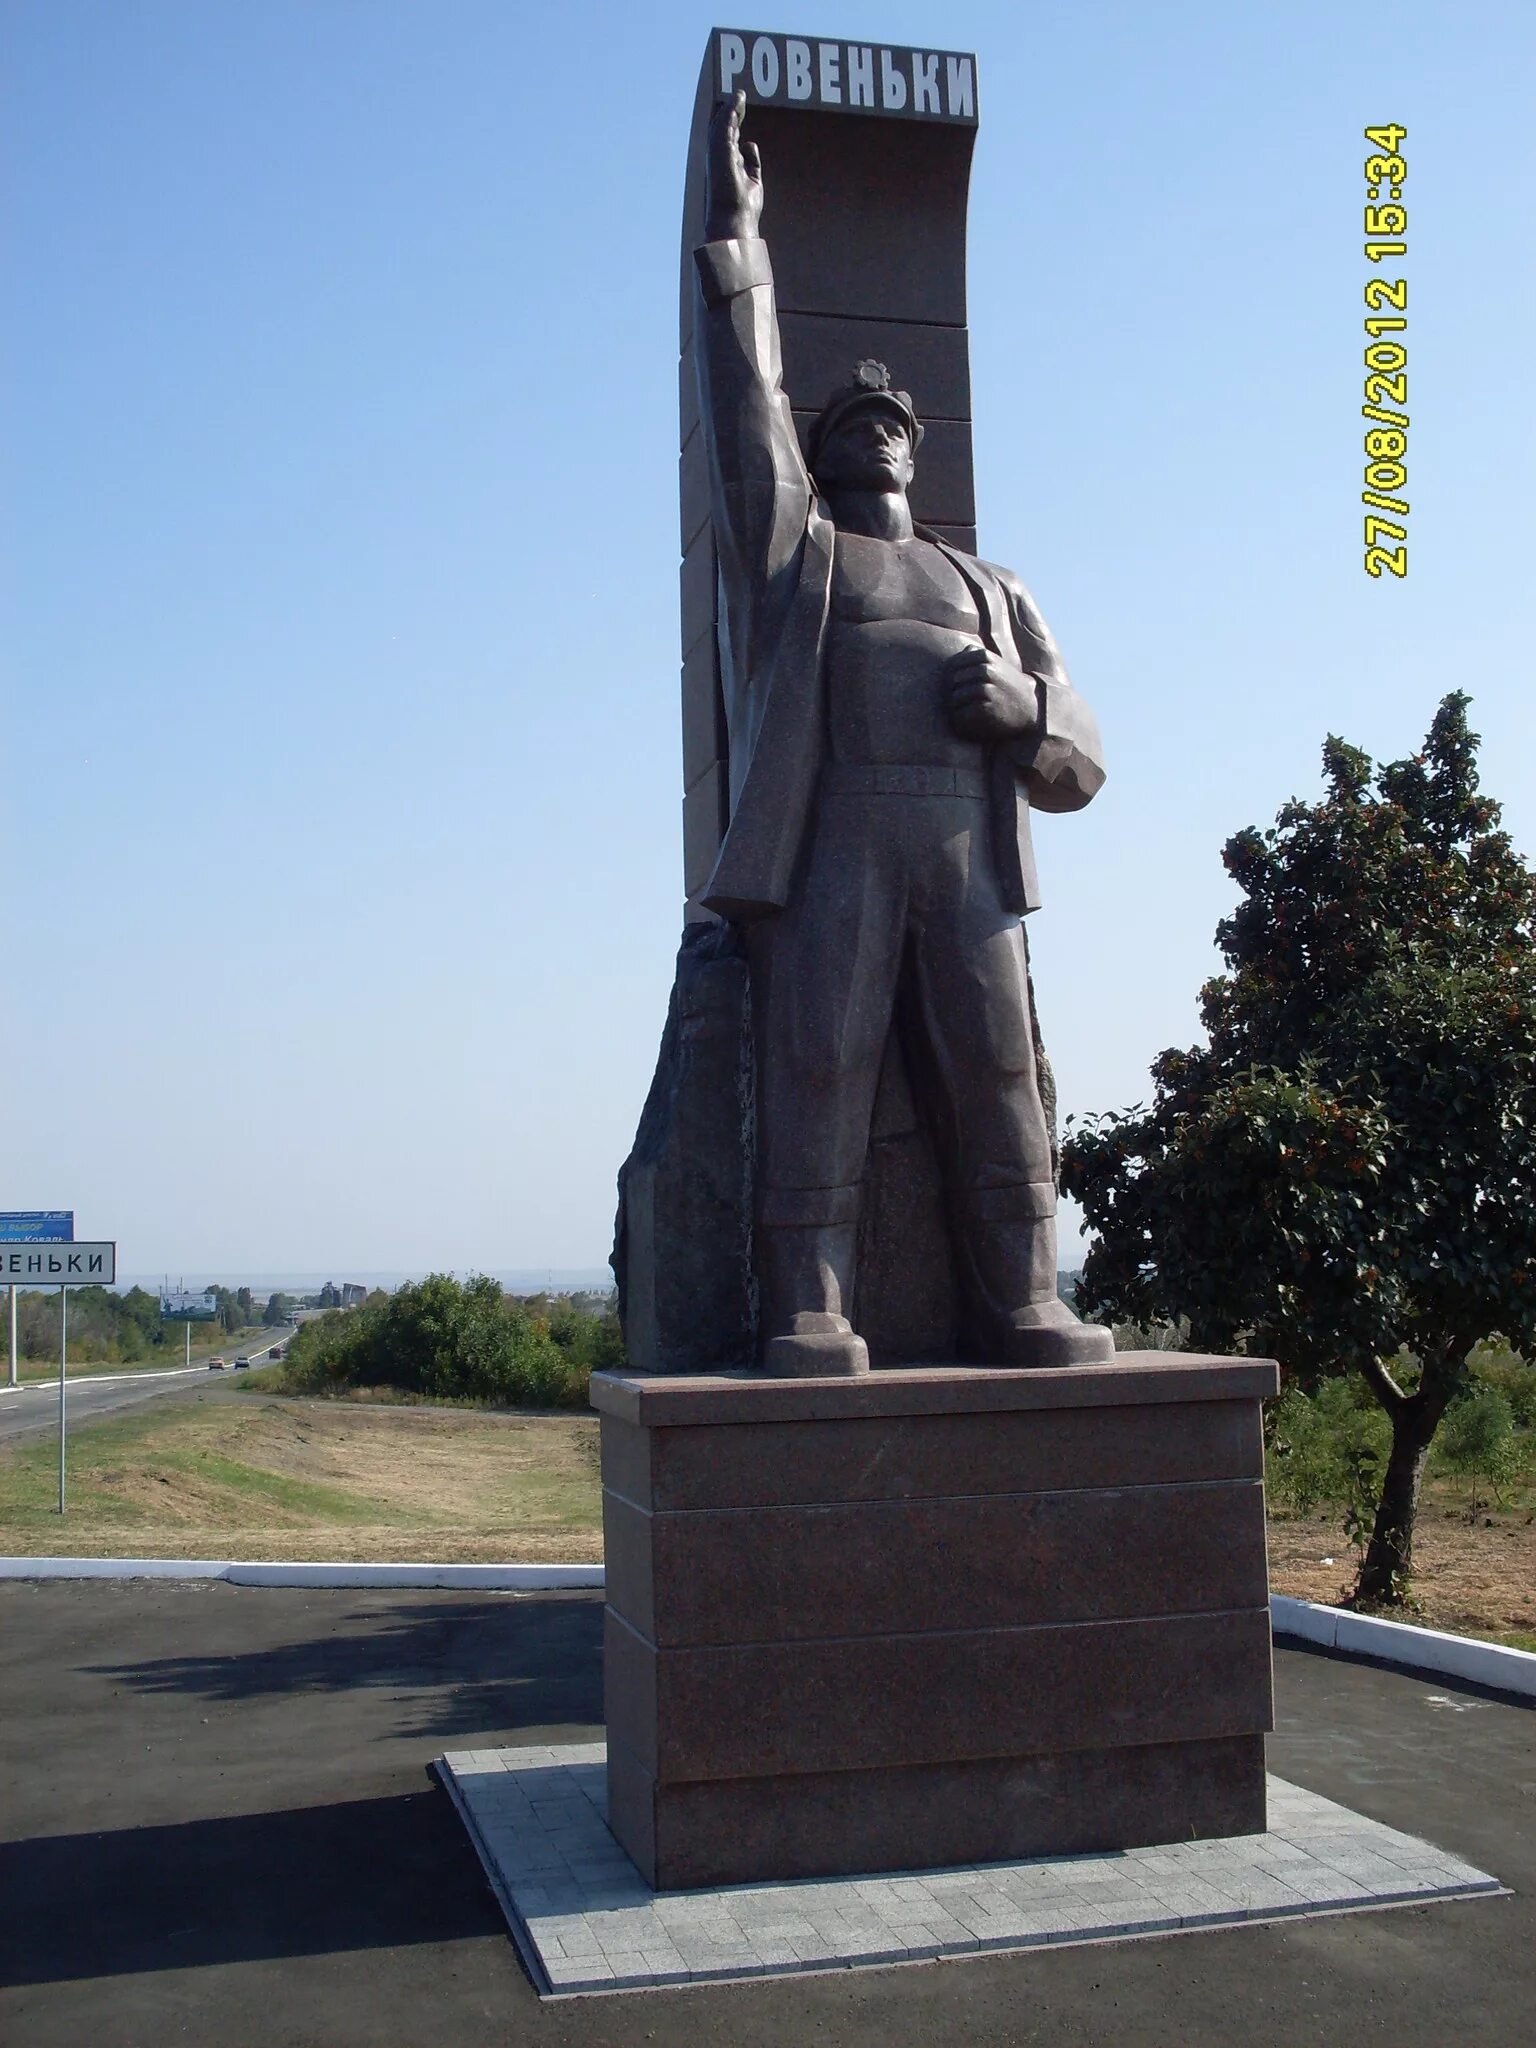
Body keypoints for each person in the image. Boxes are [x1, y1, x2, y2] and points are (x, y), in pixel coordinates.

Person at [695, 93, 1112, 1374]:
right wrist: (739, 242)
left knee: (996, 1074)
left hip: (965, 853)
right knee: (819, 1065)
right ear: (823, 459)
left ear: (918, 454)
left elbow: (1085, 755)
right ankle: (809, 1309)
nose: (874, 425)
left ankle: (1021, 1300)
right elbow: (747, 412)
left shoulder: (997, 587)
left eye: (893, 422)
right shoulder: (801, 557)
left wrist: (1025, 709)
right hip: (840, 842)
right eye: (849, 424)